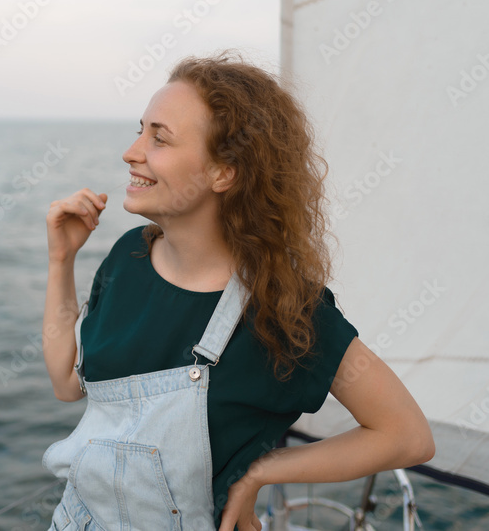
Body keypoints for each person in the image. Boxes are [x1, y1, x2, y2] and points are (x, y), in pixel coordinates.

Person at [40, 50, 435, 531]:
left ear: (223, 173)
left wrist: (261, 474)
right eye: (139, 130)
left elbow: (406, 435)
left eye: (159, 138)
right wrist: (62, 260)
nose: (132, 151)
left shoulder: (288, 310)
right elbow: (67, 383)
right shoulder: (127, 258)